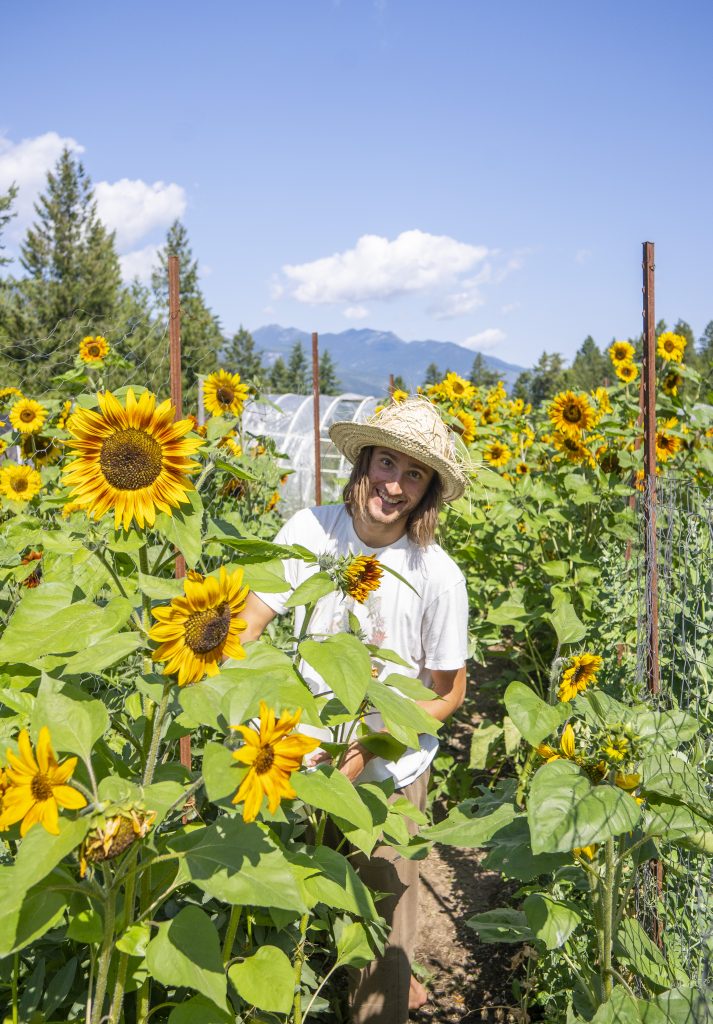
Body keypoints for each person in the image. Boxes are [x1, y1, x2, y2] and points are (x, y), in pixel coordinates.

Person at [241, 397, 469, 1024]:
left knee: (378, 941)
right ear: (363, 462)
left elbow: (447, 692)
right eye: (386, 462)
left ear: (427, 494)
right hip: (296, 756)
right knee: (282, 914)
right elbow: (249, 625)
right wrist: (237, 709)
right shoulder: (309, 533)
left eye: (414, 474)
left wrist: (369, 747)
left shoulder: (437, 576)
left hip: (386, 776)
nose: (393, 484)